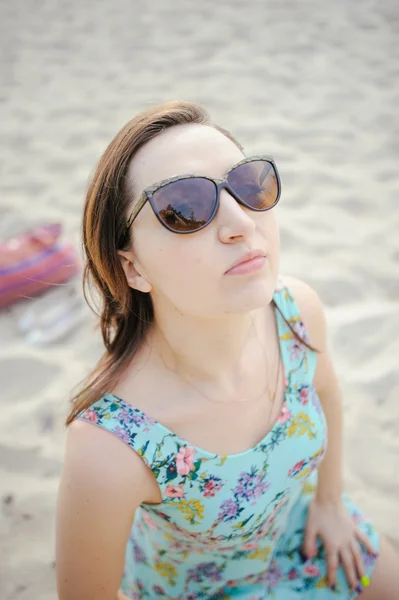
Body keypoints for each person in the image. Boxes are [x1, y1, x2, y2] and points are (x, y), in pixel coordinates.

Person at [55, 101, 399, 600]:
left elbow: (327, 394)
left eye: (249, 184)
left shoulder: (296, 312)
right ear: (132, 268)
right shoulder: (110, 446)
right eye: (185, 208)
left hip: (302, 530)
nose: (242, 222)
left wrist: (330, 500)